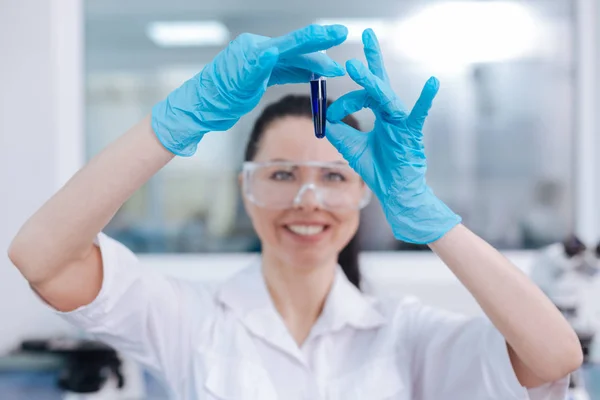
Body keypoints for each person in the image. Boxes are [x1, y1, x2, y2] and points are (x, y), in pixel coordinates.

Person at [8, 24, 581, 399]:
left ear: (366, 191)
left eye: (335, 176)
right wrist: (176, 122)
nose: (307, 200)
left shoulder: (406, 334)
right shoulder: (194, 320)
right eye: (281, 174)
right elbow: (43, 259)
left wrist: (430, 217)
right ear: (246, 188)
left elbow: (553, 357)